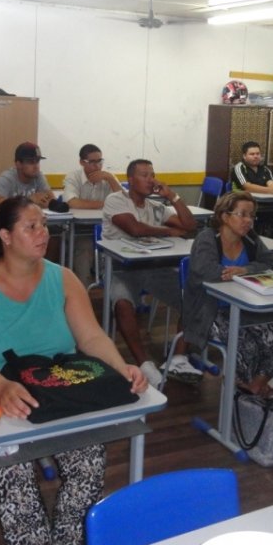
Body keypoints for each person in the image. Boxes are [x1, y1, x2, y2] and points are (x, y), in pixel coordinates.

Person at [0, 196, 147, 545]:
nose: (43, 233)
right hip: (2, 396)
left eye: (43, 224)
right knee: (14, 477)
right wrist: (0, 384)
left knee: (89, 466)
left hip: (60, 390)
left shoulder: (64, 278)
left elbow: (91, 337)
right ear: (5, 236)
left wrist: (120, 366)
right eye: (31, 226)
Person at [102, 159, 200, 386]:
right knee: (123, 304)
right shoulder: (116, 200)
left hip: (154, 268)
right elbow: (134, 229)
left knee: (193, 298)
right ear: (130, 179)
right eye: (144, 175)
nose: (151, 180)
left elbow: (189, 225)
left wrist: (172, 197)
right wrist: (168, 231)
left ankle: (178, 358)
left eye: (152, 175)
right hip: (120, 268)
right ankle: (144, 363)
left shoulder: (156, 207)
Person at [184, 192, 273, 395]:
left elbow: (270, 264)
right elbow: (204, 270)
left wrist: (245, 270)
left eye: (251, 216)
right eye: (242, 214)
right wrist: (235, 275)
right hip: (210, 310)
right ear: (225, 216)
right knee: (247, 345)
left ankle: (254, 387)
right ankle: (240, 392)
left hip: (246, 307)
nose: (248, 221)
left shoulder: (251, 239)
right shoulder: (207, 238)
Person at [62, 143, 123, 284]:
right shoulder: (73, 177)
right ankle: (83, 287)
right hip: (80, 230)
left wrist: (110, 179)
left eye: (100, 161)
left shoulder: (108, 177)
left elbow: (123, 201)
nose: (97, 166)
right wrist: (107, 204)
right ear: (82, 162)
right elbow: (72, 202)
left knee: (121, 243)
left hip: (106, 229)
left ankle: (114, 286)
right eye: (92, 162)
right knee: (85, 246)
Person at [0, 142, 54, 213]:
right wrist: (28, 200)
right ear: (18, 164)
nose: (36, 166)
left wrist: (47, 202)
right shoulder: (7, 178)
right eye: (31, 162)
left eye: (37, 161)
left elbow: (52, 201)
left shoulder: (38, 176)